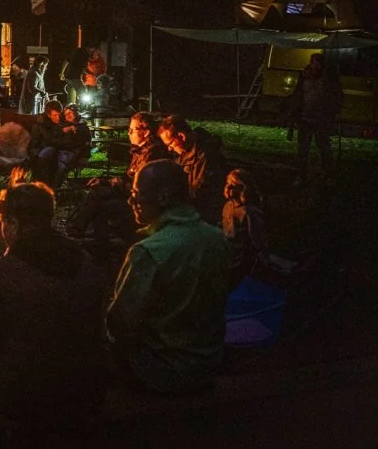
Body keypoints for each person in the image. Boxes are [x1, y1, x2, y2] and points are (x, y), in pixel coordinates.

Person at [0, 182, 106, 425]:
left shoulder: (4, 270)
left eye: (3, 223)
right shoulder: (84, 260)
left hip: (25, 393)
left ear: (12, 224)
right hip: (85, 386)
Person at [106, 160, 231, 395]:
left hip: (159, 370)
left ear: (162, 198)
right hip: (208, 363)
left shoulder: (149, 251)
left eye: (136, 194)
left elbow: (120, 324)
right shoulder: (217, 239)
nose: (131, 202)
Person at [66, 112, 170, 258]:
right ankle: (82, 233)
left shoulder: (151, 154)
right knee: (97, 192)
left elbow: (140, 185)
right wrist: (105, 181)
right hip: (129, 191)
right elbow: (129, 176)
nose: (129, 133)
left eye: (132, 130)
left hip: (140, 201)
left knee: (100, 204)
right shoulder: (141, 150)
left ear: (145, 132)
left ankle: (90, 239)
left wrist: (118, 184)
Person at [157, 115, 227, 226]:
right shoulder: (186, 152)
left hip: (205, 216)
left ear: (181, 136)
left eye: (170, 144)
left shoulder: (205, 156)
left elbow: (199, 191)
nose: (169, 148)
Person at [288, 53, 343, 184]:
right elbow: (298, 95)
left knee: (324, 149)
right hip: (305, 118)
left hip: (322, 119)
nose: (316, 65)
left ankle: (328, 175)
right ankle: (301, 175)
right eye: (314, 62)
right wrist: (294, 114)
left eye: (318, 63)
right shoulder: (304, 76)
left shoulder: (328, 78)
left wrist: (332, 112)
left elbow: (337, 96)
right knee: (302, 150)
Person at [222, 169, 269, 284]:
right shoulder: (228, 206)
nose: (228, 188)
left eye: (234, 186)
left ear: (244, 190)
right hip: (228, 252)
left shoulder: (249, 213)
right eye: (228, 184)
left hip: (242, 257)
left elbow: (257, 239)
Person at [27, 100, 67, 185]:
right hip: (40, 149)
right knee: (46, 154)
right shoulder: (41, 123)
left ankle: (51, 186)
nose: (58, 117)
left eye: (59, 114)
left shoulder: (60, 121)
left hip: (55, 149)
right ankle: (41, 184)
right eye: (55, 115)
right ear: (48, 115)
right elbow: (45, 140)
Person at [54, 103, 92, 188]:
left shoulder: (82, 127)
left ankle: (56, 188)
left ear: (75, 113)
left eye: (69, 113)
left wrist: (82, 155)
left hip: (75, 153)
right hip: (63, 151)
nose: (67, 116)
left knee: (60, 167)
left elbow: (85, 144)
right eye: (65, 114)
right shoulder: (65, 125)